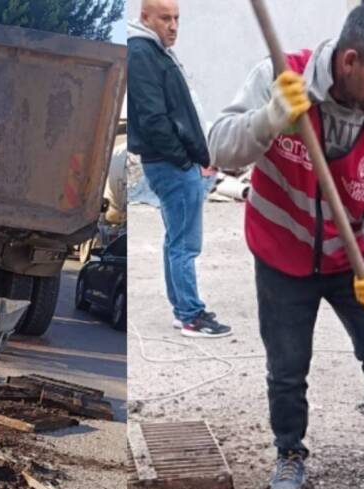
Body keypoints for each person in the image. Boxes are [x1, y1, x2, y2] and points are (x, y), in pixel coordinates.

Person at [208, 3, 364, 489]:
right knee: (288, 368)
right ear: (350, 61)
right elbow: (219, 148)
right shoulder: (278, 76)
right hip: (281, 258)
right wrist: (269, 119)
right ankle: (289, 454)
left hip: (348, 262)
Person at [127, 0, 231, 338]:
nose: (173, 26)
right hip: (170, 164)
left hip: (170, 162)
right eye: (165, 18)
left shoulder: (154, 51)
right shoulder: (142, 53)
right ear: (145, 18)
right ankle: (191, 316)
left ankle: (183, 310)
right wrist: (186, 160)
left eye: (177, 19)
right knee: (186, 244)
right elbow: (153, 117)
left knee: (176, 241)